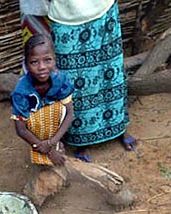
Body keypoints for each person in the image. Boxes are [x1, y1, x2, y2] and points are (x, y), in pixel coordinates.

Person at [48, 0, 137, 162]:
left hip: (105, 8)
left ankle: (118, 127)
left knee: (110, 73)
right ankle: (82, 140)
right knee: (75, 83)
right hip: (66, 16)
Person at [11, 34, 74, 168]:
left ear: (55, 60)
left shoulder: (60, 80)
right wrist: (49, 151)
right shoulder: (21, 92)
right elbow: (21, 130)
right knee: (32, 118)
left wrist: (52, 143)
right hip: (35, 131)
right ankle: (40, 148)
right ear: (26, 65)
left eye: (47, 60)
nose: (42, 67)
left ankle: (57, 143)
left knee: (60, 108)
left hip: (52, 133)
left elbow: (69, 114)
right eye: (34, 62)